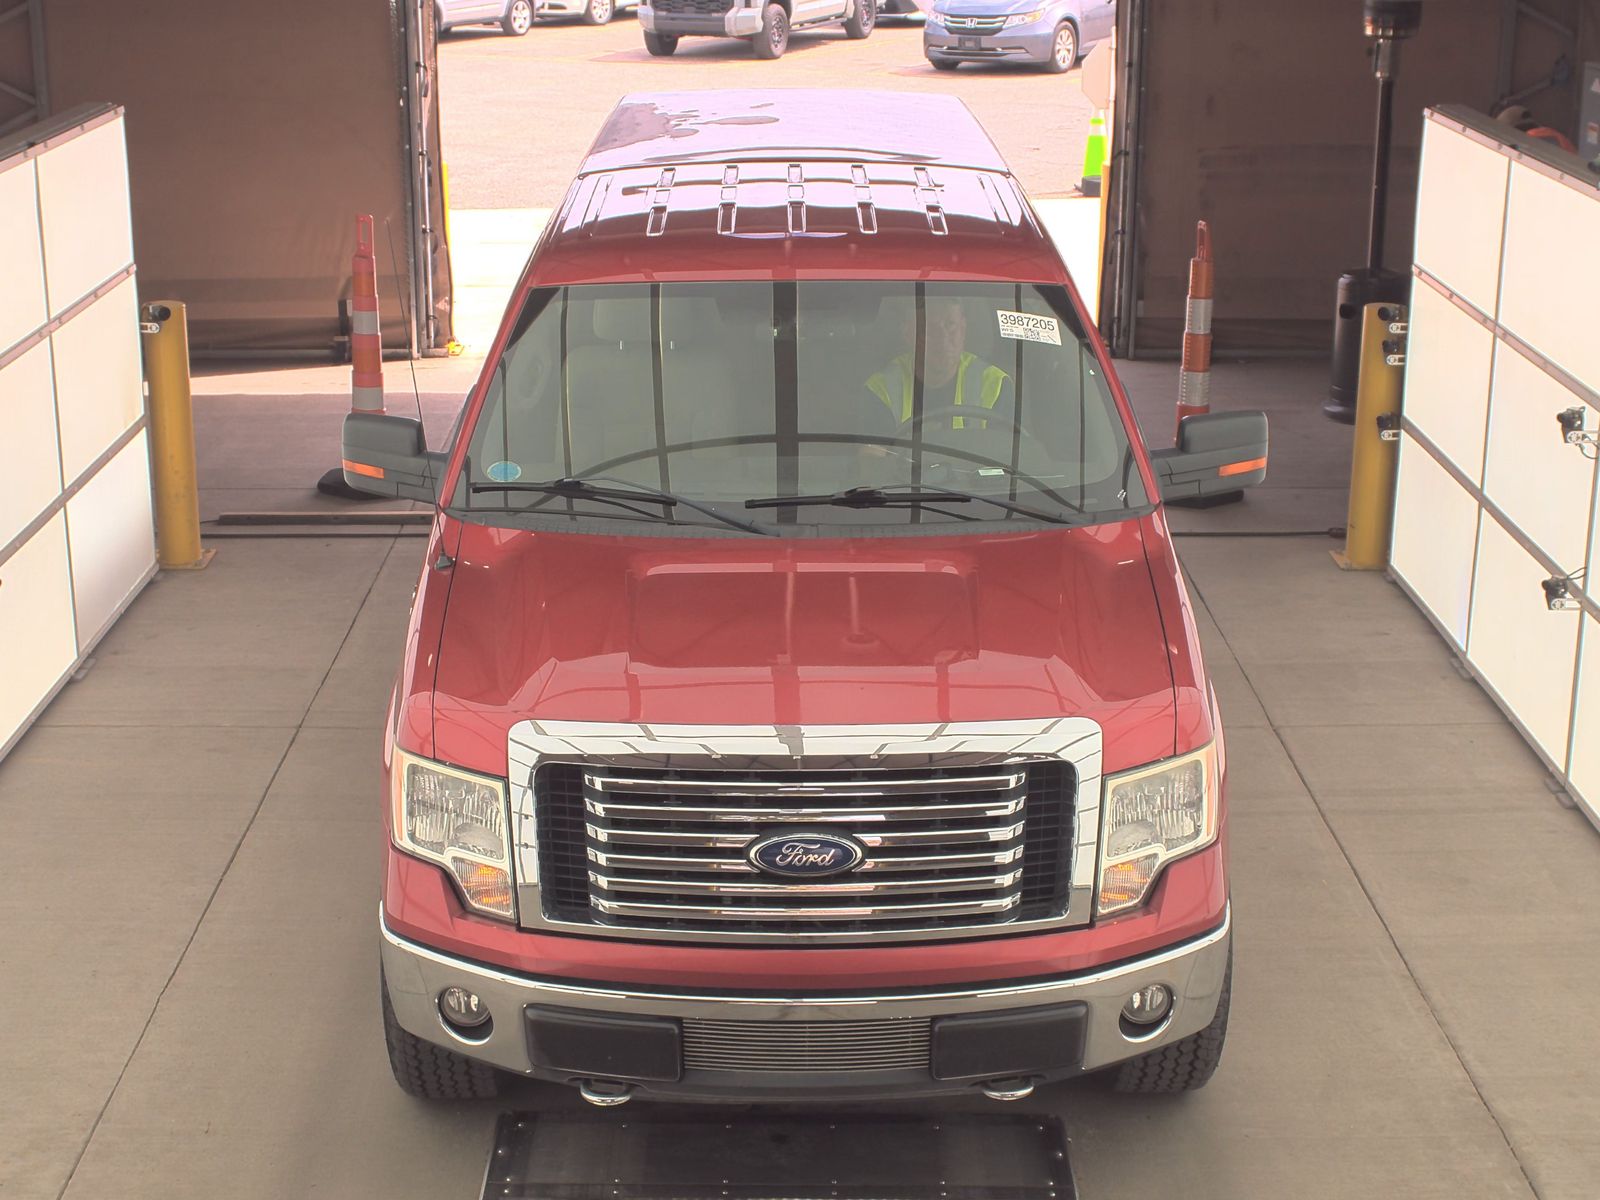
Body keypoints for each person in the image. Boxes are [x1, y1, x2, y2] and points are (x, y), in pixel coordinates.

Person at [865, 298, 1012, 431]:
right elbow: (871, 451)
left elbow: (1006, 449)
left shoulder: (996, 385)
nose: (942, 339)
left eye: (950, 325)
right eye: (929, 328)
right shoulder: (882, 389)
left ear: (963, 329)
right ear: (908, 334)